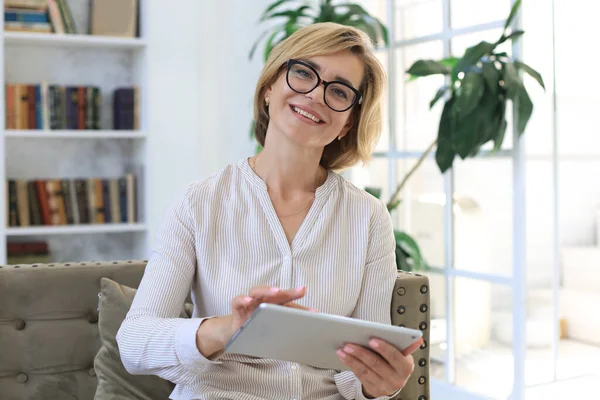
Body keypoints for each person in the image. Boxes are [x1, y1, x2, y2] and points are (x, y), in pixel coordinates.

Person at [116, 22, 422, 400]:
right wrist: (229, 328)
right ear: (269, 88)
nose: (315, 95)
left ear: (349, 122)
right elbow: (133, 343)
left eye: (339, 91)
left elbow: (356, 369)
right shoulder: (199, 202)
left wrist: (378, 385)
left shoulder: (369, 217)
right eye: (303, 73)